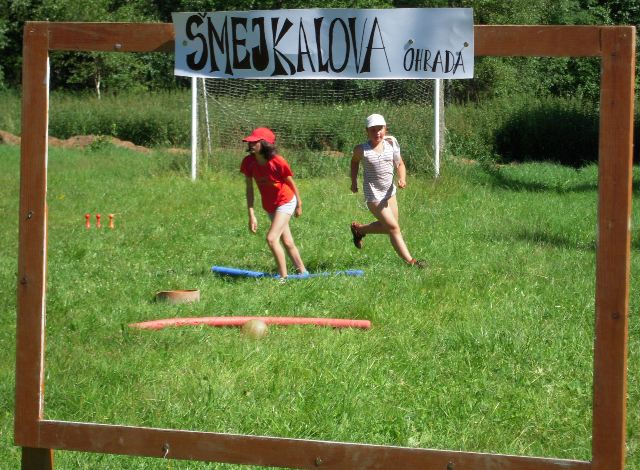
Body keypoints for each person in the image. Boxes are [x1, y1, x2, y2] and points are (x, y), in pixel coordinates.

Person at [350, 114, 426, 268]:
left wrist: (402, 178)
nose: (377, 132)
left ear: (385, 129)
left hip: (389, 193)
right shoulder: (361, 149)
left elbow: (400, 164)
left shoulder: (391, 143)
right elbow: (354, 163)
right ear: (367, 131)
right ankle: (412, 262)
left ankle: (360, 230)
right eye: (373, 130)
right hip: (374, 195)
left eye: (380, 129)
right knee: (394, 228)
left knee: (389, 228)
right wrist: (353, 182)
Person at [240, 127, 307, 279]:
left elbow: (290, 183)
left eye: (255, 142)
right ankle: (303, 273)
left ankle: (283, 278)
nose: (250, 144)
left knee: (271, 238)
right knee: (287, 241)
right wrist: (251, 215)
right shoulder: (248, 162)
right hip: (270, 205)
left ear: (264, 144)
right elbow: (249, 189)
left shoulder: (277, 161)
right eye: (250, 142)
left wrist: (299, 204)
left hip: (286, 201)